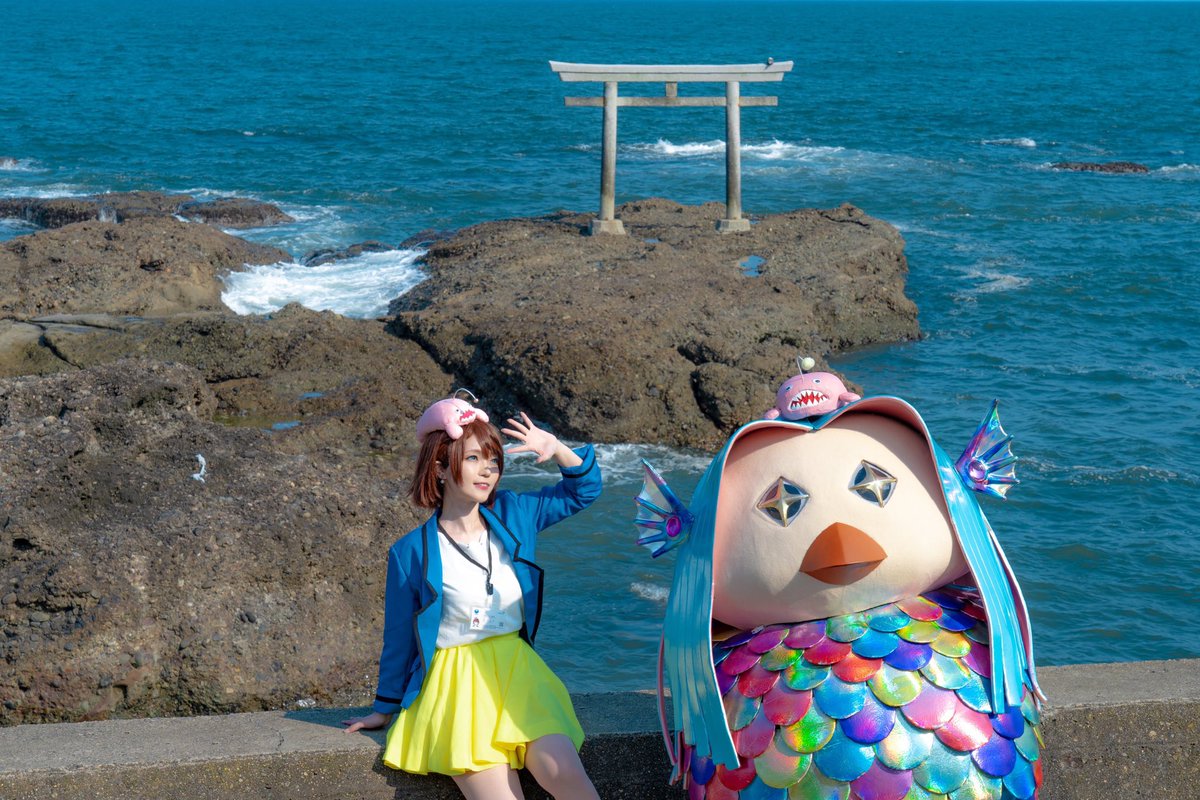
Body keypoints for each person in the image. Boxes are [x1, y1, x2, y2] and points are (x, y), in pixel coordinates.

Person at [343, 399, 602, 800]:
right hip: (456, 685)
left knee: (565, 774)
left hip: (519, 673)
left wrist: (557, 448)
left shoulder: (515, 513)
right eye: (474, 458)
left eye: (494, 460)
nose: (488, 470)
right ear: (440, 468)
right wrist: (384, 707)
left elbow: (583, 491)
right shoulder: (411, 552)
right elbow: (398, 637)